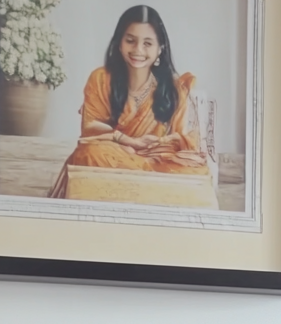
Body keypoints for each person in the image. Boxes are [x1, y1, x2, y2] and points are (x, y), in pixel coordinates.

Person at [49, 6, 211, 200]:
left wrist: (161, 144)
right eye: (130, 41)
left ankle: (138, 189)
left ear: (160, 49)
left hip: (154, 161)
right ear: (119, 43)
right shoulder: (101, 79)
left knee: (195, 170)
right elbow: (89, 128)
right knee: (89, 154)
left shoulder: (174, 89)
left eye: (147, 43)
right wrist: (127, 142)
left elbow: (183, 141)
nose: (138, 50)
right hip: (112, 156)